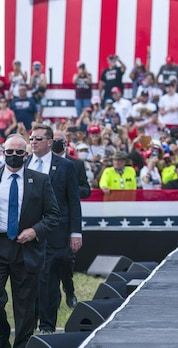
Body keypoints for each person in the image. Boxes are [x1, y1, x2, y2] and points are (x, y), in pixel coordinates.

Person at [0, 134, 59, 347]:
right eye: (9, 152)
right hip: (0, 244)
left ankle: (23, 344)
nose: (13, 156)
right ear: (3, 152)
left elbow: (53, 215)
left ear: (26, 155)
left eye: (18, 152)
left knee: (25, 304)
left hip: (26, 248)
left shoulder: (40, 181)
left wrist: (35, 231)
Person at [25, 124, 81, 334]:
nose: (33, 143)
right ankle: (30, 322)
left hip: (56, 232)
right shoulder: (25, 163)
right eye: (31, 139)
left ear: (50, 142)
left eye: (38, 139)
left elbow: (73, 201)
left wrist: (75, 232)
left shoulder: (65, 166)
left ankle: (47, 327)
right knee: (32, 279)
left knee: (49, 279)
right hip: (30, 232)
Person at [52, 129, 90, 309]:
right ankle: (53, 296)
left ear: (66, 143)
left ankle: (69, 289)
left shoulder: (76, 165)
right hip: (49, 218)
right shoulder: (43, 164)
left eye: (59, 140)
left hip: (67, 218)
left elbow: (86, 190)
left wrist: (70, 189)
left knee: (66, 259)